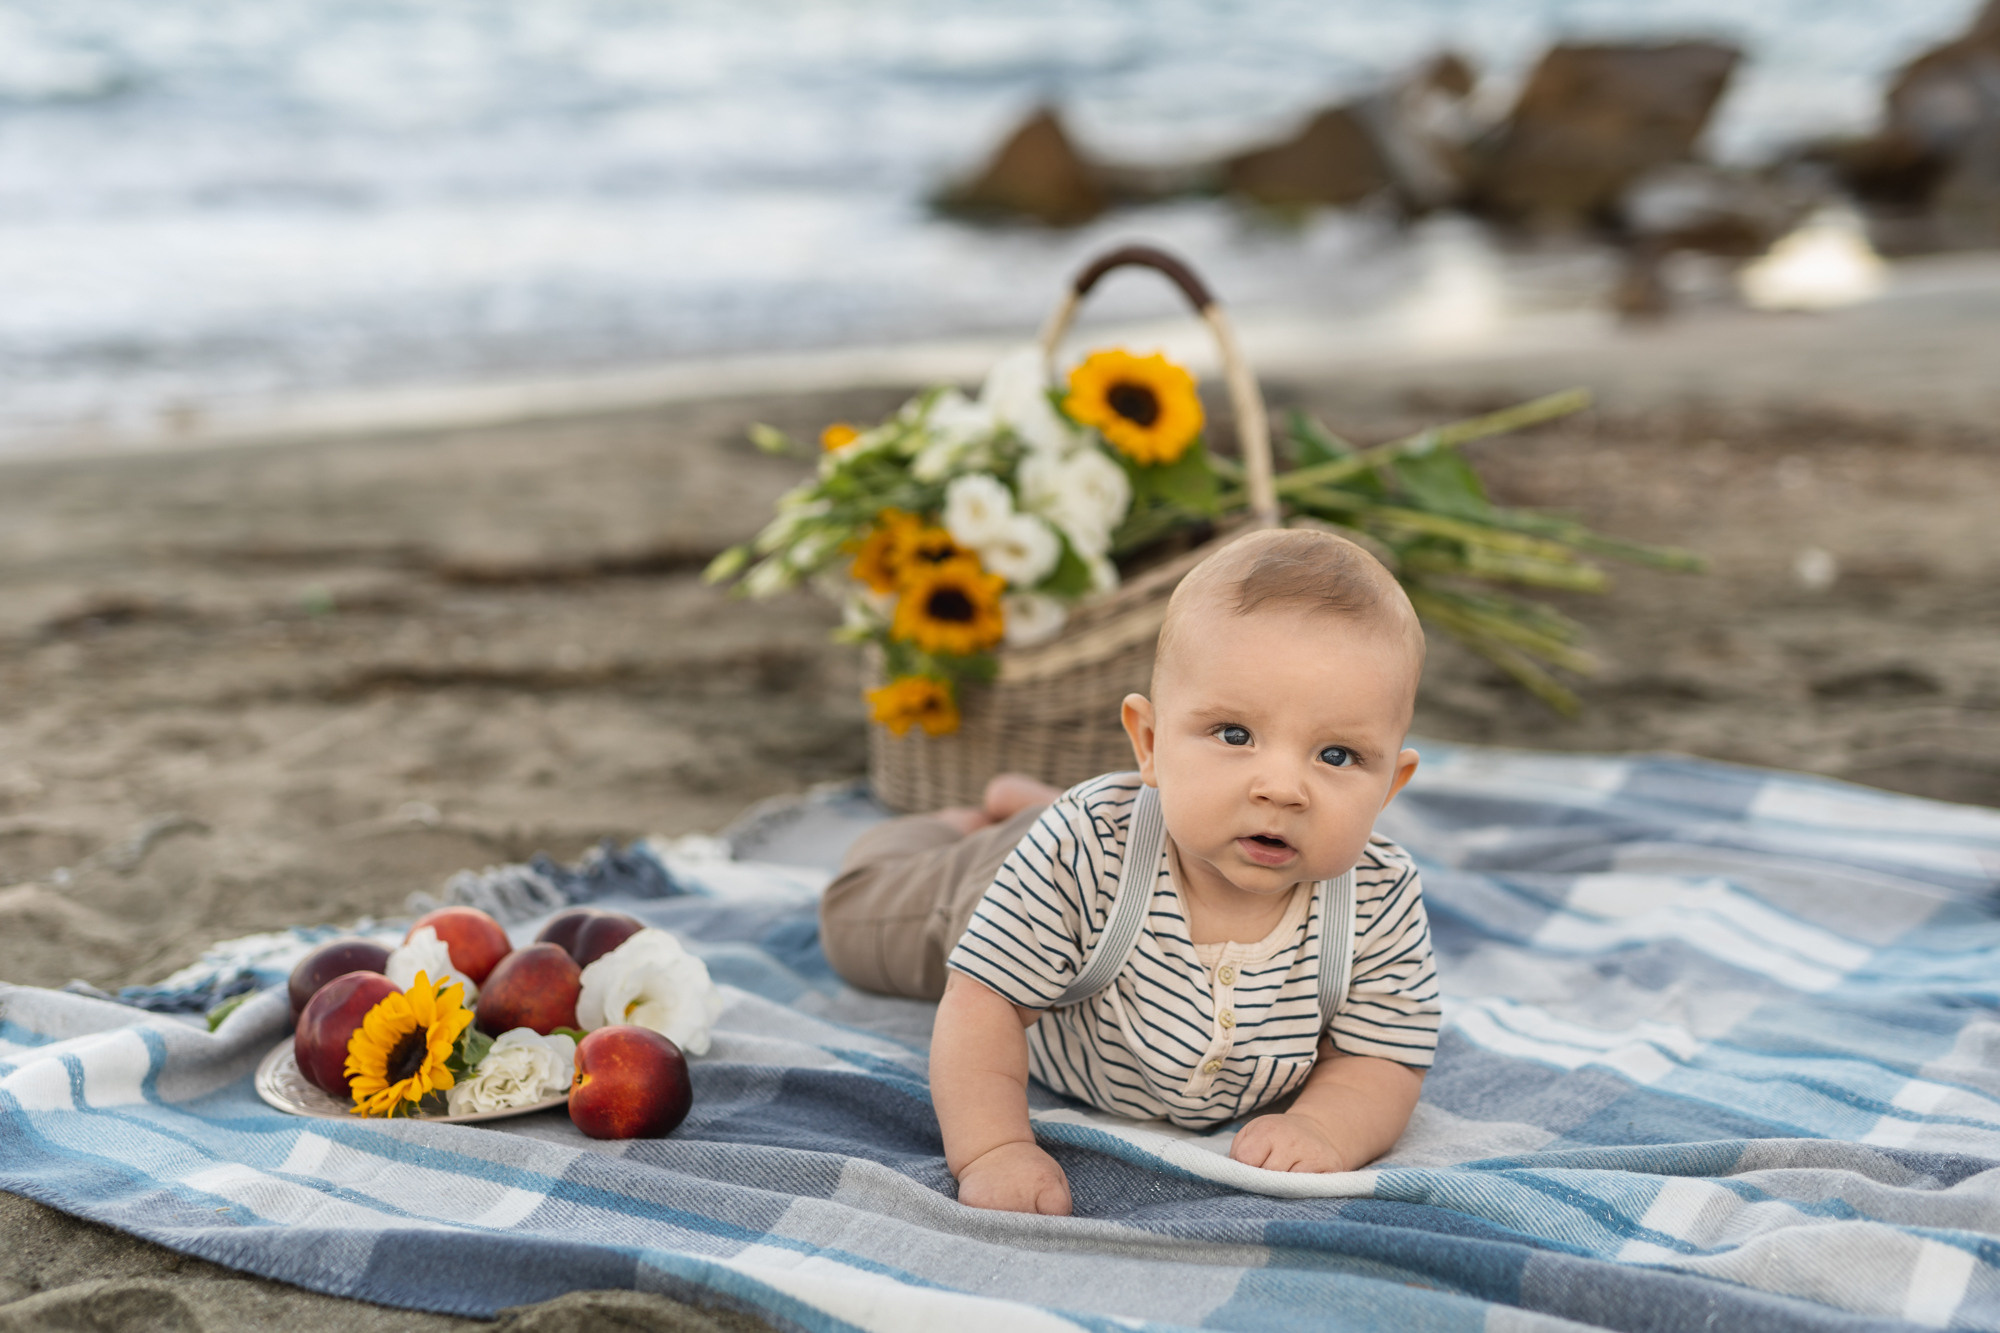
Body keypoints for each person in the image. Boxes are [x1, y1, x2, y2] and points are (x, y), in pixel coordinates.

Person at [820, 528, 1438, 1215]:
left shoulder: (1379, 896)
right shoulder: (1084, 850)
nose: (1282, 788)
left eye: (1337, 755)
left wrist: (1323, 1127)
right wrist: (994, 1148)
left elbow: (1382, 1056)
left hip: (1105, 836)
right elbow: (982, 1003)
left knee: (1075, 823)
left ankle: (1027, 803)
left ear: (1390, 785)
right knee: (852, 921)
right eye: (1235, 735)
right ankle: (957, 827)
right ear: (1149, 742)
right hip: (1020, 882)